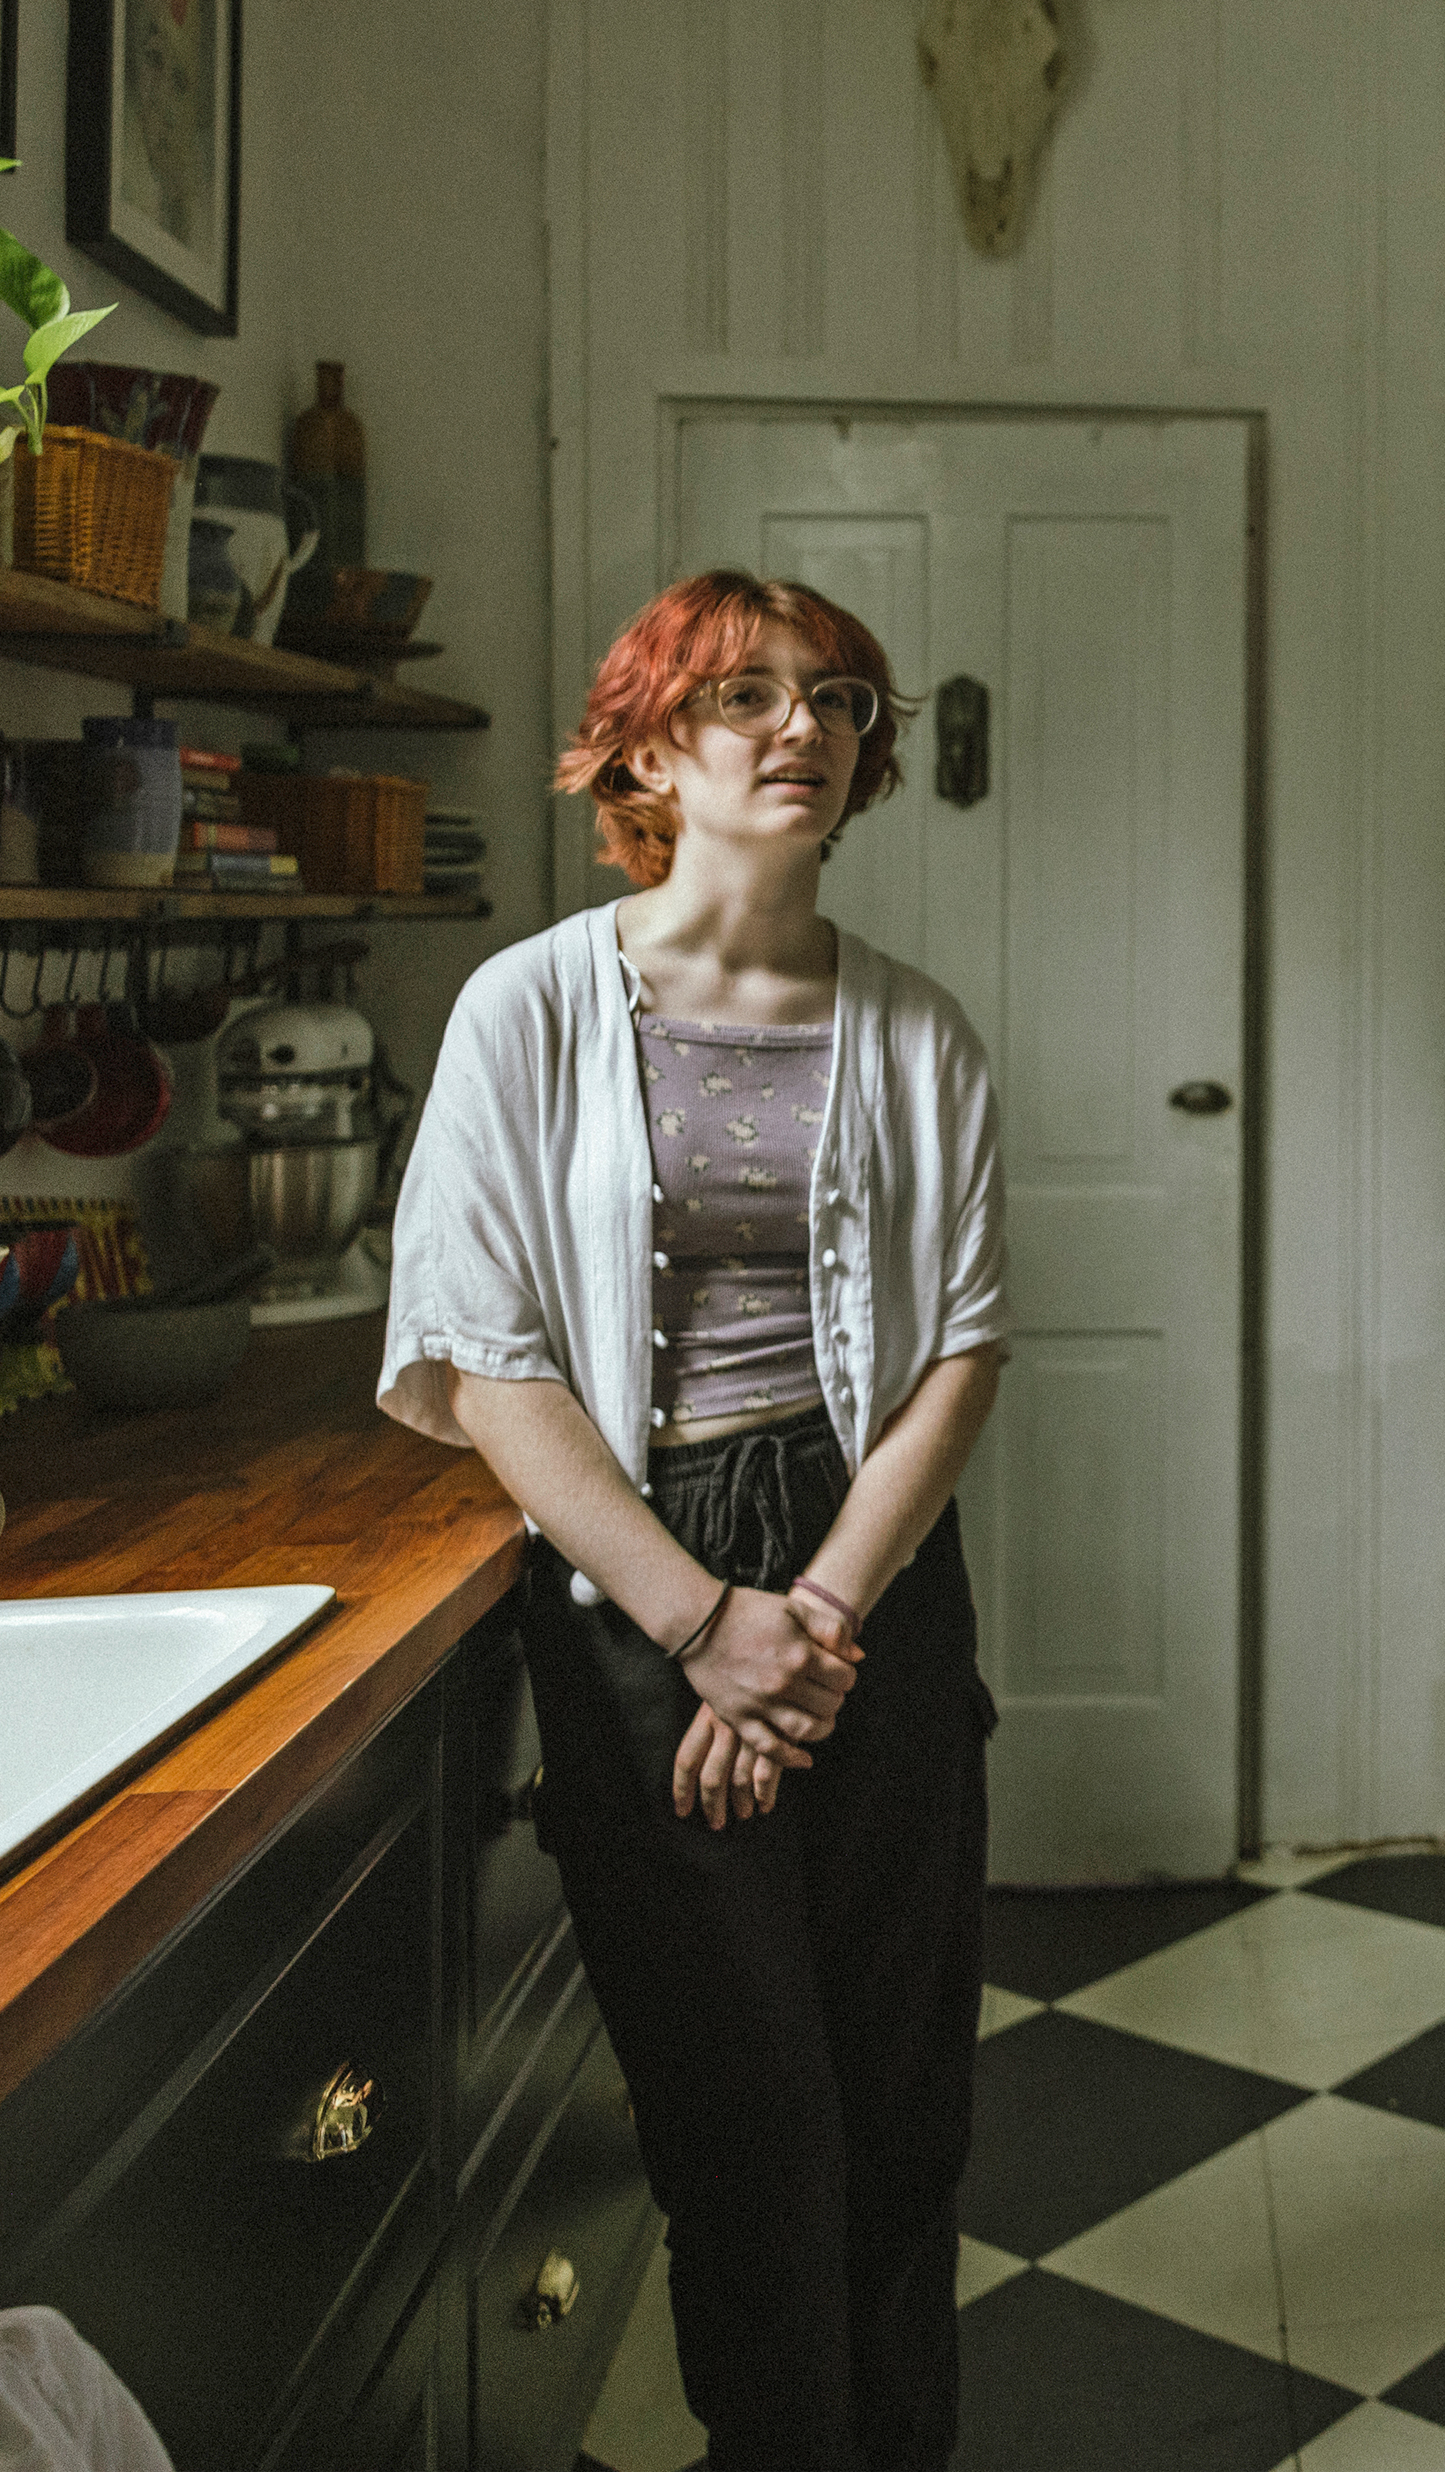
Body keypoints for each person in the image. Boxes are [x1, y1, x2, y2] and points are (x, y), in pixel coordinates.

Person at [380, 570, 1012, 2472]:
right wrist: (698, 1628)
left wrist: (807, 1617)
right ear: (647, 742)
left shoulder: (918, 1032)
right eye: (746, 693)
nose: (802, 727)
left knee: (902, 2122)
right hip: (632, 1567)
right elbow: (484, 1360)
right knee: (751, 2132)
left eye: (835, 700)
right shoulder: (529, 1008)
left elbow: (962, 1349)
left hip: (873, 1567)